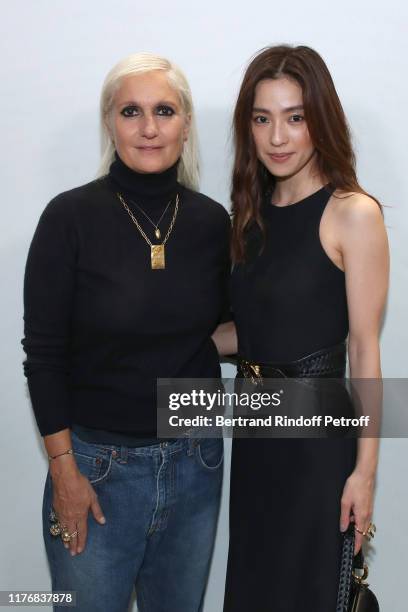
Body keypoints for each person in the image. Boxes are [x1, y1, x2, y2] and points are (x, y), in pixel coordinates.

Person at [22, 52, 230, 612]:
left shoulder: (213, 223)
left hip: (198, 459)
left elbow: (236, 325)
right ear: (110, 124)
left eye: (164, 110)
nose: (148, 127)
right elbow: (43, 356)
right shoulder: (69, 218)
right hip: (97, 472)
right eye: (130, 111)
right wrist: (64, 471)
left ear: (185, 124)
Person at [220, 45, 389, 611]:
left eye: (295, 117)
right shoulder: (252, 211)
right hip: (257, 432)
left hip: (318, 443)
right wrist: (157, 341)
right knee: (256, 588)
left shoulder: (352, 212)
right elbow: (256, 333)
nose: (277, 137)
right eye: (262, 118)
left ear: (321, 118)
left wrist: (364, 474)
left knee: (308, 592)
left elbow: (365, 350)